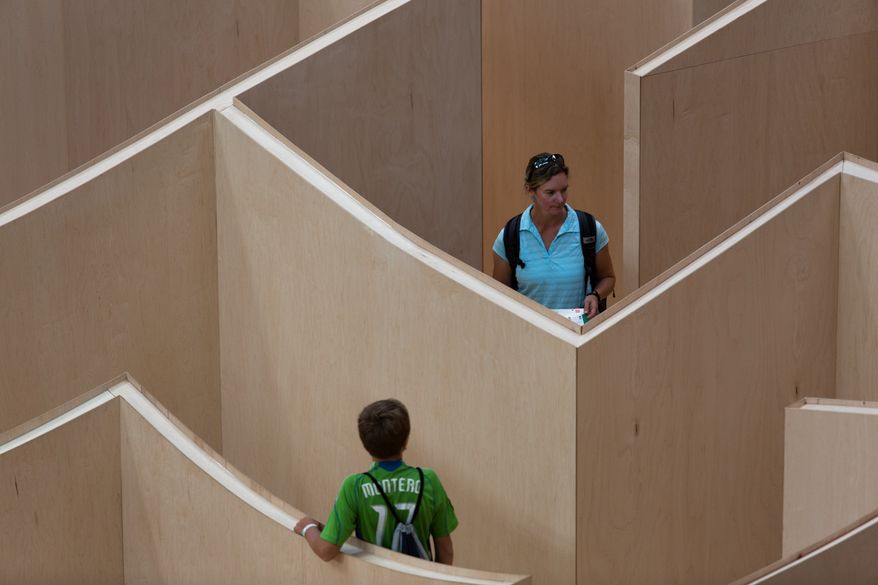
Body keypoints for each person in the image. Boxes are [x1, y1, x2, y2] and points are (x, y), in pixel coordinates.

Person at [294, 399, 458, 564]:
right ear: (406, 441)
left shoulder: (354, 486)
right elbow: (446, 550)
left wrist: (308, 527)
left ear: (365, 444)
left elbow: (326, 550)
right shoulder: (428, 480)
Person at [492, 152, 616, 318]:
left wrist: (595, 295)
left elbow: (608, 277)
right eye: (550, 193)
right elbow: (499, 296)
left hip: (577, 335)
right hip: (529, 335)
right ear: (531, 191)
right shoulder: (509, 236)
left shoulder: (590, 229)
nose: (560, 199)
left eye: (564, 190)